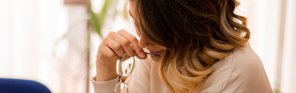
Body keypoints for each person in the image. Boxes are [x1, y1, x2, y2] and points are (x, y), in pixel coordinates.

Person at [92, 0, 272, 93]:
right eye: (136, 23)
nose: (142, 43)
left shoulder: (237, 71)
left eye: (156, 31)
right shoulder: (163, 52)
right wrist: (105, 68)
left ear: (189, 22)